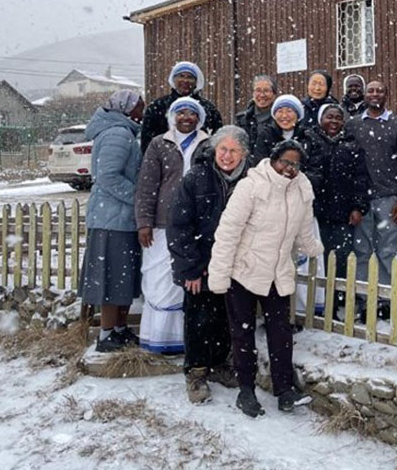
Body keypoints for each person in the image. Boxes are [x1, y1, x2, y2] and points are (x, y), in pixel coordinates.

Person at [207, 140, 322, 416]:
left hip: (278, 272)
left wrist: (314, 248)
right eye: (284, 162)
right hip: (244, 272)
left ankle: (284, 391)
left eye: (295, 164)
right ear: (273, 160)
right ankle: (245, 390)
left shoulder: (302, 189)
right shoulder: (252, 186)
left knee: (281, 333)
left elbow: (304, 228)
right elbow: (228, 232)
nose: (289, 169)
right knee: (242, 333)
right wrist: (219, 274)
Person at [166, 125, 252, 404]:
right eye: (222, 149)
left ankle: (219, 365)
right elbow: (179, 226)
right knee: (199, 318)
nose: (227, 156)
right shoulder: (196, 178)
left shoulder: (250, 180)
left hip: (234, 265)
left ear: (244, 154)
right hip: (201, 264)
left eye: (233, 151)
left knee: (228, 317)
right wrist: (190, 267)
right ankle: (197, 372)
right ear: (214, 149)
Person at [135, 97, 211, 354]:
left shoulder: (208, 144)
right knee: (160, 278)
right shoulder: (159, 144)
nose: (186, 118)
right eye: (181, 113)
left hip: (195, 223)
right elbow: (146, 186)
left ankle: (185, 338)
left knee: (187, 279)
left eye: (192, 113)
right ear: (172, 117)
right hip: (162, 222)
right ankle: (158, 338)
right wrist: (144, 221)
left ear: (199, 118)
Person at [79, 89, 145, 353]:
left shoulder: (123, 131)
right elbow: (108, 176)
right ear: (126, 108)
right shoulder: (118, 134)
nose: (143, 109)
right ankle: (107, 334)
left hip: (119, 218)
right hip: (111, 220)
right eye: (140, 105)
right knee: (111, 278)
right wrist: (137, 198)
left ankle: (118, 329)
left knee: (122, 276)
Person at [346, 80, 397, 291]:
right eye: (371, 91)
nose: (375, 94)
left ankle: (387, 298)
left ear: (386, 95)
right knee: (362, 250)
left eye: (379, 91)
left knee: (387, 251)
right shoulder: (354, 124)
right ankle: (365, 297)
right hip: (362, 198)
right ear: (365, 95)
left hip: (389, 197)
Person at [302, 103, 369, 264]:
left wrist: (358, 207)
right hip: (316, 211)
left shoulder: (352, 144)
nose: (334, 121)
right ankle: (319, 289)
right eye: (329, 117)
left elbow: (360, 179)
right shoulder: (309, 140)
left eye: (338, 118)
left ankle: (339, 289)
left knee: (342, 257)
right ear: (320, 119)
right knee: (317, 255)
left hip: (343, 213)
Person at [140, 60, 223, 153]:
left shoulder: (208, 109)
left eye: (190, 77)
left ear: (197, 82)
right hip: (165, 161)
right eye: (181, 76)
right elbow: (147, 142)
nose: (185, 80)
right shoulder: (157, 106)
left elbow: (218, 138)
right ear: (173, 79)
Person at [252, 94, 307, 163]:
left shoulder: (307, 136)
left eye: (289, 111)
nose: (284, 116)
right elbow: (260, 165)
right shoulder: (266, 135)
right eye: (280, 111)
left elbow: (314, 168)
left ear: (298, 116)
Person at [235, 74, 277, 153]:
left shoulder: (280, 119)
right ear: (253, 93)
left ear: (274, 94)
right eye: (258, 90)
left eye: (266, 90)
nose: (262, 95)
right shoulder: (242, 120)